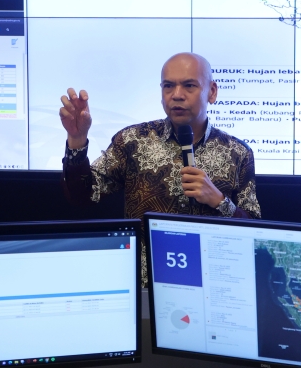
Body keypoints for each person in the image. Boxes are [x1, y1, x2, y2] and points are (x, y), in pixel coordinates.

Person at [60, 52, 261, 283]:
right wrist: (77, 138)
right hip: (146, 287)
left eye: (189, 86)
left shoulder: (238, 153)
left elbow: (254, 233)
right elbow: (82, 196)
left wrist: (219, 201)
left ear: (212, 92)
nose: (177, 95)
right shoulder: (132, 141)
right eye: (168, 86)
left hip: (212, 285)